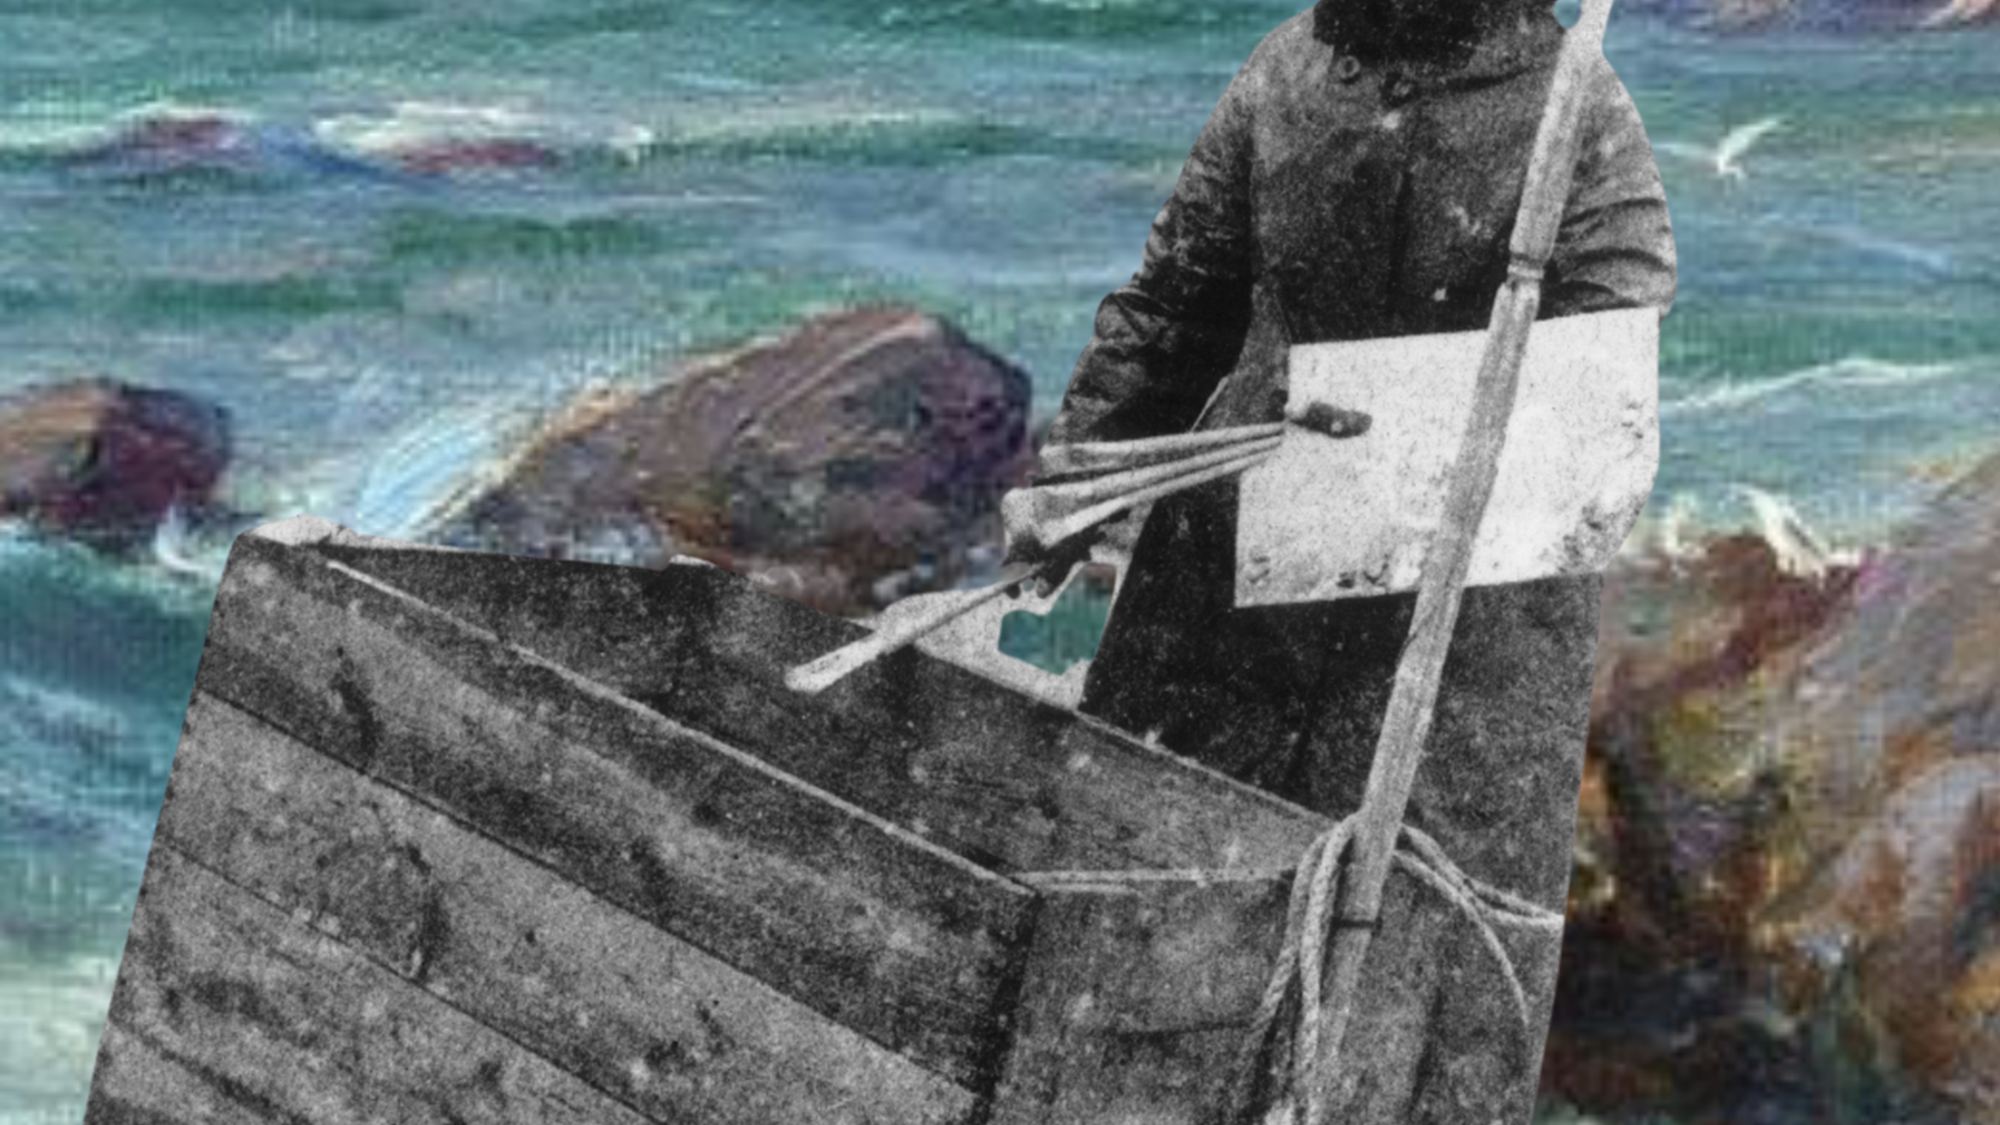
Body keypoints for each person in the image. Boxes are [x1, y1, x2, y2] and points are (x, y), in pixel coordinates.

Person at [1015, 0, 1675, 819]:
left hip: (1444, 642)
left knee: (1394, 877)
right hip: (1224, 596)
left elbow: (1602, 398)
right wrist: (1075, 488)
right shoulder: (1288, 68)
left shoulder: (1581, 110)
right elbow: (1174, 308)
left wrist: (1389, 430)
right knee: (1135, 839)